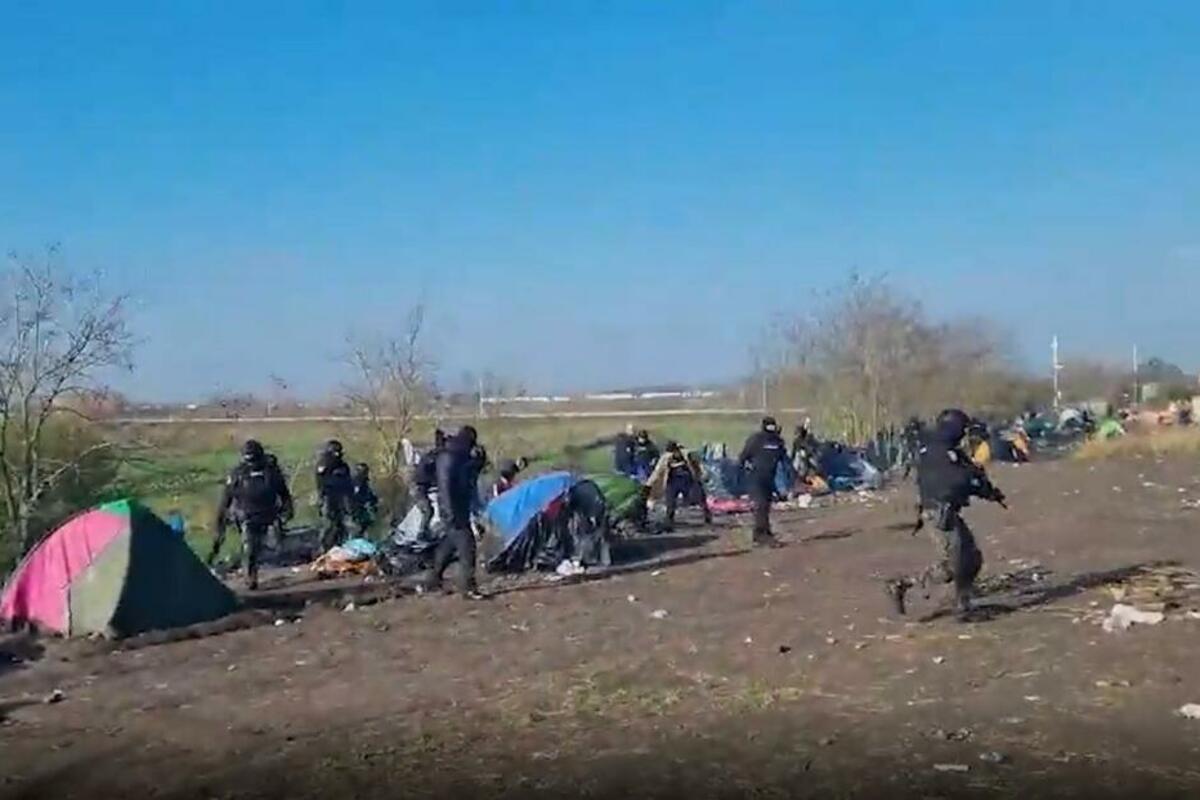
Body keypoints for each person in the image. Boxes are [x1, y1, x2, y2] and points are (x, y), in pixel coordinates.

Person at [886, 408, 1007, 621]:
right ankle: (957, 605)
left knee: (971, 559)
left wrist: (987, 490)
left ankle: (959, 601)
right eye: (962, 429)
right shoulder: (937, 450)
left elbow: (966, 477)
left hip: (945, 512)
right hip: (938, 513)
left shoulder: (947, 449)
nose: (964, 434)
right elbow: (953, 481)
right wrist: (973, 480)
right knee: (957, 562)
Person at [210, 439, 293, 590]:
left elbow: (283, 492)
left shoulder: (271, 472)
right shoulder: (238, 473)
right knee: (249, 547)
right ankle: (250, 577)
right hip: (247, 515)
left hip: (269, 514)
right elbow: (226, 498)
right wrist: (221, 518)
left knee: (274, 546)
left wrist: (287, 509)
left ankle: (263, 566)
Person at [423, 426, 486, 600]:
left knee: (450, 543)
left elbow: (468, 475)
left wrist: (479, 461)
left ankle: (433, 578)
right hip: (453, 510)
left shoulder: (457, 455)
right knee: (467, 547)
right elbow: (446, 487)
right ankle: (467, 587)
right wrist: (451, 513)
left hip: (457, 509)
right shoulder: (450, 457)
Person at [738, 417, 788, 547]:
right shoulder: (756, 440)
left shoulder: (778, 442)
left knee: (765, 506)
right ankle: (762, 535)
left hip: (770, 478)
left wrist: (786, 483)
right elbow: (743, 457)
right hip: (756, 477)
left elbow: (784, 460)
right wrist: (744, 471)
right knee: (761, 505)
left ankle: (761, 533)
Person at [652, 441, 713, 531]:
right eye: (669, 453)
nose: (671, 455)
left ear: (677, 450)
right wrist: (649, 484)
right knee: (670, 502)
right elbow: (657, 471)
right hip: (673, 481)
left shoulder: (687, 455)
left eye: (673, 452)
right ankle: (669, 522)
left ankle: (707, 516)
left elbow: (699, 465)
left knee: (699, 497)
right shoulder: (665, 458)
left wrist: (703, 474)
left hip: (688, 480)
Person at [315, 439, 353, 552]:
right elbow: (321, 481)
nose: (338, 455)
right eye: (335, 452)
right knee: (328, 524)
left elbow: (348, 483)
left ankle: (339, 545)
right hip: (328, 496)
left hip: (341, 498)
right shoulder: (324, 464)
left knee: (341, 524)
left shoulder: (343, 466)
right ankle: (323, 548)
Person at [411, 429, 446, 539]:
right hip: (419, 488)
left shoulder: (431, 456)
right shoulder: (433, 458)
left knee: (431, 510)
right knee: (428, 510)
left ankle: (424, 531)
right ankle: (421, 533)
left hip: (420, 487)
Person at [350, 463, 379, 537]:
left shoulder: (366, 488)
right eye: (357, 470)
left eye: (363, 472)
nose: (358, 473)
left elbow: (372, 500)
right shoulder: (350, 484)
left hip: (360, 517)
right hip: (351, 514)